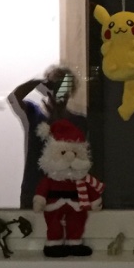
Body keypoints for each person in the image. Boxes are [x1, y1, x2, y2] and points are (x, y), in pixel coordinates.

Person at [7, 65, 86, 209]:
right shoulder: (33, 114)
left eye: (64, 87)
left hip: (67, 192)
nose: (60, 92)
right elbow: (13, 97)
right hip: (34, 190)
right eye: (56, 86)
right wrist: (40, 81)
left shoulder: (79, 122)